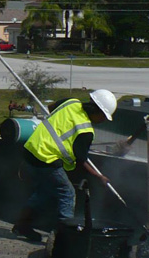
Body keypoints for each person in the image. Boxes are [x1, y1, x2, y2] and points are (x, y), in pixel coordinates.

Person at [12, 89, 117, 243]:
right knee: (67, 193)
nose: (103, 121)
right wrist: (98, 176)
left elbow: (50, 108)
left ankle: (22, 225)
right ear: (98, 112)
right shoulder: (86, 131)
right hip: (46, 159)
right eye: (104, 117)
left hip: (31, 150)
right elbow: (81, 160)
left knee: (44, 192)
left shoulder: (70, 102)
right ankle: (64, 238)